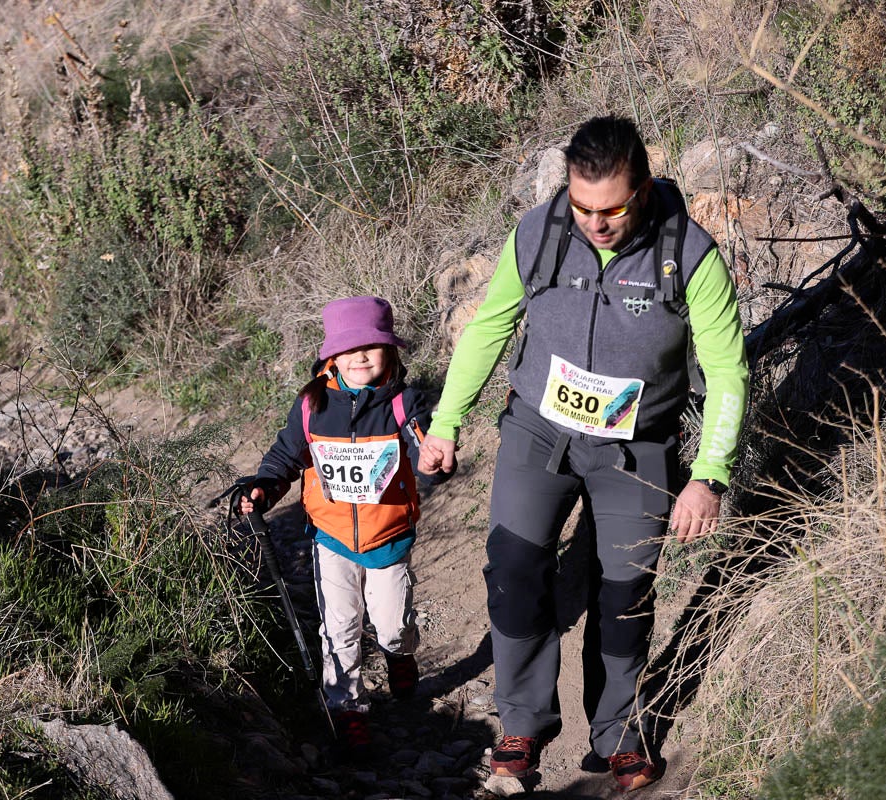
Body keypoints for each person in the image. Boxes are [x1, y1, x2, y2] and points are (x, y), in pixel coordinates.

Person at [419, 116, 749, 792]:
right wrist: (447, 422)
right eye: (583, 207)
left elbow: (727, 372)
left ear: (645, 188)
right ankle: (523, 722)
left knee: (624, 592)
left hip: (637, 449)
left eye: (613, 209)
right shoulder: (538, 235)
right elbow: (489, 327)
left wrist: (709, 475)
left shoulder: (689, 255)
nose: (597, 223)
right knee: (514, 570)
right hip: (539, 432)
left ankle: (617, 734)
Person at [239, 296, 446, 756]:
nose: (360, 357)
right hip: (330, 538)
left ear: (390, 352)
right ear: (331, 355)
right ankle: (348, 710)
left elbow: (423, 453)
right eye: (349, 348)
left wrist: (433, 459)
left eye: (372, 346)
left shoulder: (403, 404)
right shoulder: (312, 405)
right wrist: (265, 488)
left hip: (388, 537)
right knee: (340, 628)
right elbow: (285, 457)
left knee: (392, 626)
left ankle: (400, 652)